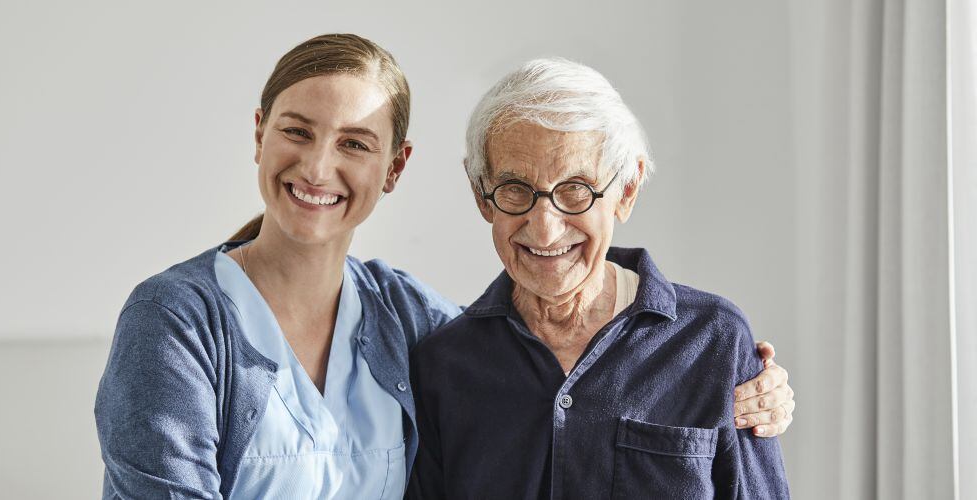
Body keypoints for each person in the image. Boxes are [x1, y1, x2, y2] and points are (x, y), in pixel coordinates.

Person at [94, 34, 794, 499]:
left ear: (394, 167)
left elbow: (540, 348)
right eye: (297, 132)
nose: (317, 167)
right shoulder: (179, 321)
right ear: (260, 133)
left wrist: (760, 389)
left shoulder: (406, 317)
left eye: (355, 143)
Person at [408, 58, 791, 499]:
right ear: (482, 195)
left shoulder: (713, 340)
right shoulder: (443, 365)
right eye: (515, 188)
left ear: (626, 191)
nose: (545, 228)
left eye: (576, 188)